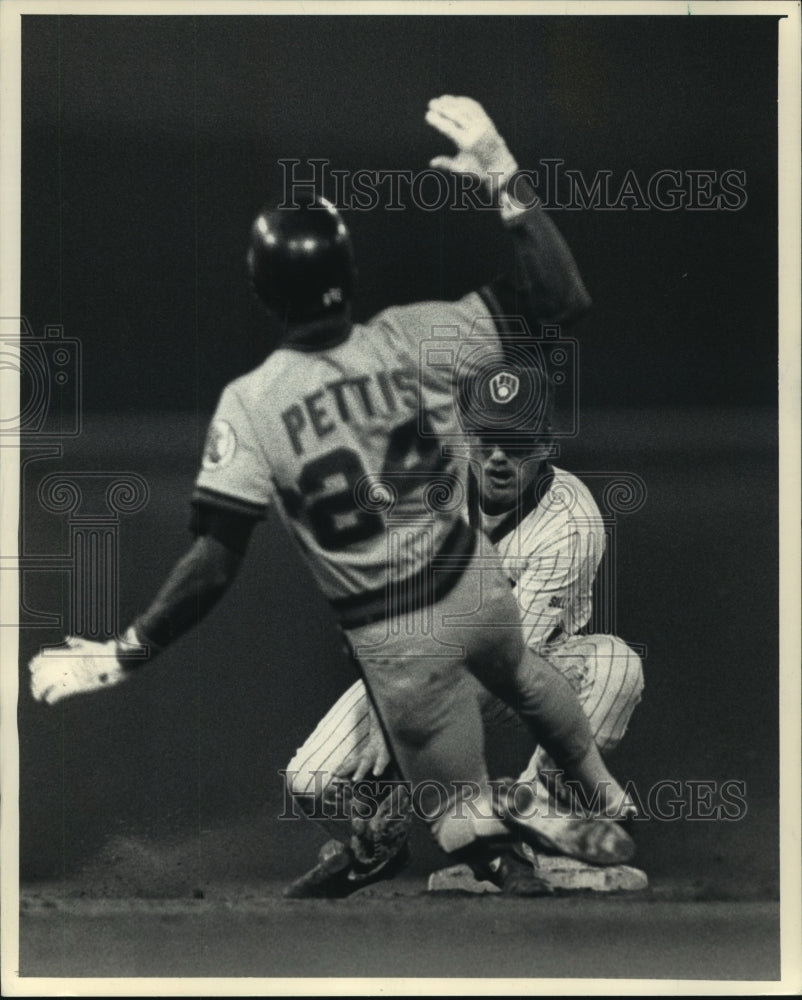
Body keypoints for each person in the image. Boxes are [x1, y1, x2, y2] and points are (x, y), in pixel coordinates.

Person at [28, 95, 635, 891]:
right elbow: (561, 298)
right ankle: (550, 807)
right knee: (393, 741)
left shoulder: (255, 401)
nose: (497, 454)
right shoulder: (410, 336)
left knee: (475, 784)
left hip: (401, 631)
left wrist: (127, 650)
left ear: (262, 292)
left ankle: (510, 843)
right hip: (473, 592)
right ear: (347, 276)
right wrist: (502, 174)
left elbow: (213, 565)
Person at [283, 358, 644, 898]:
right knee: (309, 783)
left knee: (615, 666)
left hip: (534, 670)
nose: (498, 456)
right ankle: (399, 843)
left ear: (546, 444)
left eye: (516, 442)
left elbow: (503, 660)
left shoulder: (571, 520)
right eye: (486, 438)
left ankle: (538, 829)